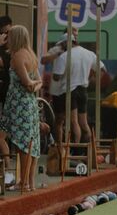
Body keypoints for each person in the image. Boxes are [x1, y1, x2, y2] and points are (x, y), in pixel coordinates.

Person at [0, 26, 42, 191]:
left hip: (19, 105)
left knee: (23, 144)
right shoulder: (30, 54)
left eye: (8, 36)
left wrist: (31, 85)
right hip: (28, 103)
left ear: (15, 38)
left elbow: (26, 82)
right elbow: (37, 82)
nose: (6, 38)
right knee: (30, 141)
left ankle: (23, 181)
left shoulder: (17, 57)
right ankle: (28, 182)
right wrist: (34, 85)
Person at [50, 38, 105, 145]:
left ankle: (75, 149)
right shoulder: (89, 53)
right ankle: (86, 150)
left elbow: (56, 77)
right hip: (83, 90)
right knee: (84, 123)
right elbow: (102, 70)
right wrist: (90, 81)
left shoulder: (64, 56)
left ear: (66, 42)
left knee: (73, 122)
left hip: (71, 91)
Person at [0, 15, 12, 118]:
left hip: (11, 92)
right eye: (3, 33)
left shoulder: (15, 48)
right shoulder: (2, 48)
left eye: (8, 33)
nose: (6, 36)